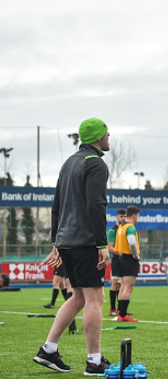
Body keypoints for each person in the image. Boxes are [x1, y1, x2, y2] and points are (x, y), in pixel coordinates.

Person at [33, 117, 111, 375]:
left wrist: (56, 241)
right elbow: (95, 205)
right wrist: (102, 243)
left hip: (67, 240)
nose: (109, 136)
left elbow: (56, 205)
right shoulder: (95, 163)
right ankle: (94, 361)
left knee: (78, 296)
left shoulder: (69, 163)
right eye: (106, 133)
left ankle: (48, 349)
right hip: (86, 241)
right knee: (95, 298)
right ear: (98, 137)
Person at [114, 205, 141, 322]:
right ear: (134, 215)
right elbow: (132, 242)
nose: (138, 219)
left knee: (123, 287)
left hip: (122, 258)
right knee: (128, 287)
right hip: (129, 258)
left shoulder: (121, 226)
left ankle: (120, 313)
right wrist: (135, 254)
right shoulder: (130, 227)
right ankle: (123, 314)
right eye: (138, 216)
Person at [106, 208, 126, 317]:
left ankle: (121, 309)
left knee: (123, 285)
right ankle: (113, 309)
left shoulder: (125, 229)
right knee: (115, 284)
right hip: (117, 261)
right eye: (121, 216)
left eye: (124, 217)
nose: (123, 219)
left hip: (125, 261)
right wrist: (123, 254)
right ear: (117, 217)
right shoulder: (112, 230)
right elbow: (110, 248)